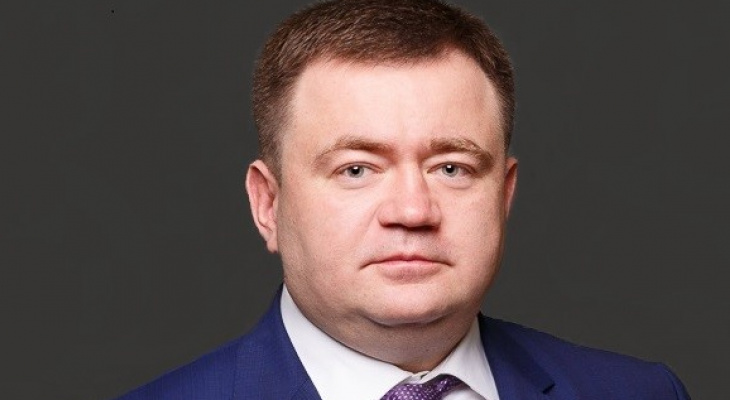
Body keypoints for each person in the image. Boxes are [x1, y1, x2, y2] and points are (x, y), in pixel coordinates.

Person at [115, 0, 690, 399]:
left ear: (504, 195)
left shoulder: (642, 394)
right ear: (268, 204)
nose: (412, 212)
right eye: (357, 169)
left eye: (451, 168)